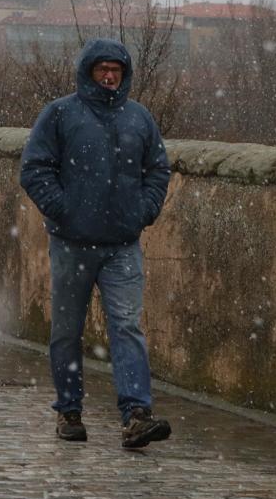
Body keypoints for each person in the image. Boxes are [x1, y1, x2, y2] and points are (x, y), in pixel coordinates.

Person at [20, 37, 172, 447]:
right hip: (72, 243)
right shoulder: (60, 115)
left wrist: (143, 212)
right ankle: (69, 410)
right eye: (102, 70)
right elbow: (34, 169)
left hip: (122, 244)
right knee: (68, 330)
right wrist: (64, 210)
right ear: (88, 72)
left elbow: (158, 170)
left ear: (124, 76)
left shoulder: (139, 119)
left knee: (127, 327)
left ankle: (136, 414)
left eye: (116, 71)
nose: (109, 77)